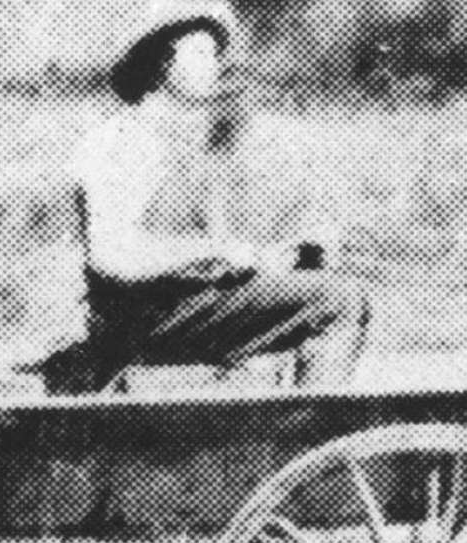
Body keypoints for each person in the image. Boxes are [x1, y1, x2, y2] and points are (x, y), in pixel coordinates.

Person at [43, 0, 371, 392]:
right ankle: (314, 422)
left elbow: (196, 246)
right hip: (140, 320)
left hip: (173, 309)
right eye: (201, 53)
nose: (216, 65)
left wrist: (271, 259)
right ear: (161, 62)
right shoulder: (121, 141)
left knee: (313, 283)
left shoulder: (176, 143)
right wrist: (219, 253)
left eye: (214, 54)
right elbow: (114, 257)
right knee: (339, 302)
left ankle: (302, 415)